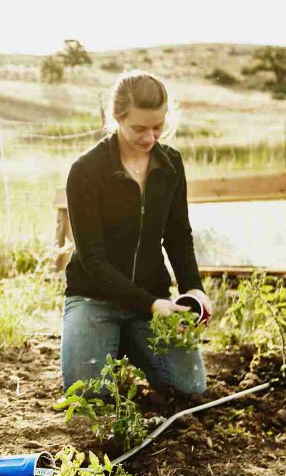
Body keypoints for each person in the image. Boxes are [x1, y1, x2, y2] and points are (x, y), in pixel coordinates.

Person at [60, 70, 211, 398]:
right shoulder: (86, 171)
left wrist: (194, 289)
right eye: (139, 128)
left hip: (150, 296)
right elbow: (93, 261)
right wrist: (151, 305)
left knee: (190, 388)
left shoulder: (171, 164)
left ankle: (128, 338)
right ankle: (110, 336)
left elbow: (178, 236)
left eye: (158, 127)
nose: (150, 138)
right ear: (117, 118)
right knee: (88, 395)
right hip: (93, 297)